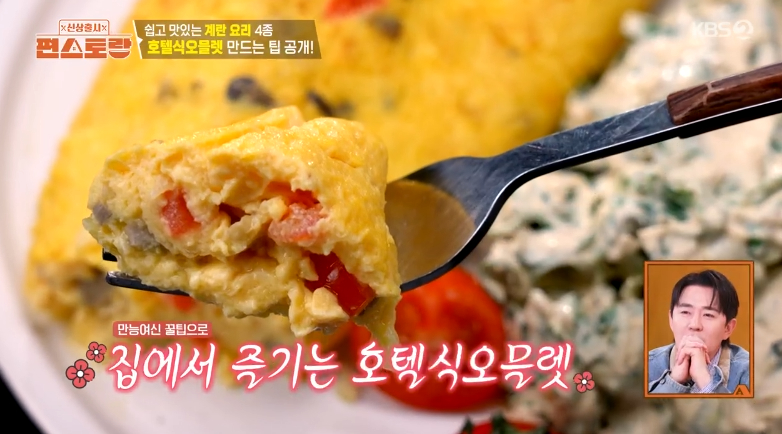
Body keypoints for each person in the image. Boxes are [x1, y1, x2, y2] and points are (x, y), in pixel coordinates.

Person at [648, 269, 750, 394]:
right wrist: (674, 381)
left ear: (728, 328)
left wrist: (705, 382)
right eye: (685, 312)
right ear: (671, 320)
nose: (695, 325)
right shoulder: (647, 365)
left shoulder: (749, 371)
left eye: (708, 315)